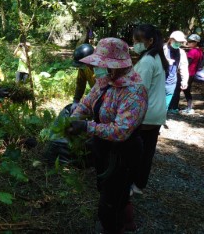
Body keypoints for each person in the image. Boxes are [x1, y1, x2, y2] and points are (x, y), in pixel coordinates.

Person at [65, 38, 148, 233]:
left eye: (104, 65)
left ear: (118, 65)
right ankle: (123, 219)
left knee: (111, 201)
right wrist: (74, 118)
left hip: (123, 152)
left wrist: (86, 126)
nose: (99, 69)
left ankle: (116, 224)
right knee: (105, 187)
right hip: (103, 146)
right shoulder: (105, 81)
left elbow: (120, 131)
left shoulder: (134, 91)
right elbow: (87, 102)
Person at [130, 24, 168, 196]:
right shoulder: (157, 57)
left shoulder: (146, 61)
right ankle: (139, 184)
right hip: (157, 112)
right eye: (134, 40)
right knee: (147, 152)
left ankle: (131, 183)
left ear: (150, 41)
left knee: (136, 151)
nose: (135, 44)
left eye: (138, 40)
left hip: (146, 113)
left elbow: (139, 90)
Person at [165, 31, 189, 113]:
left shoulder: (181, 52)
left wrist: (184, 80)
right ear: (171, 40)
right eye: (176, 42)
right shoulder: (162, 49)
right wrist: (165, 61)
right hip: (160, 80)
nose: (178, 44)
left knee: (165, 104)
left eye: (180, 42)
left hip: (171, 81)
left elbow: (184, 67)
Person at [179, 34, 203, 114]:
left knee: (184, 90)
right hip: (193, 73)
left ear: (196, 42)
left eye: (190, 41)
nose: (188, 43)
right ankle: (189, 107)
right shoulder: (200, 51)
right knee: (186, 90)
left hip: (188, 73)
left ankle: (188, 108)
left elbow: (187, 63)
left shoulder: (193, 51)